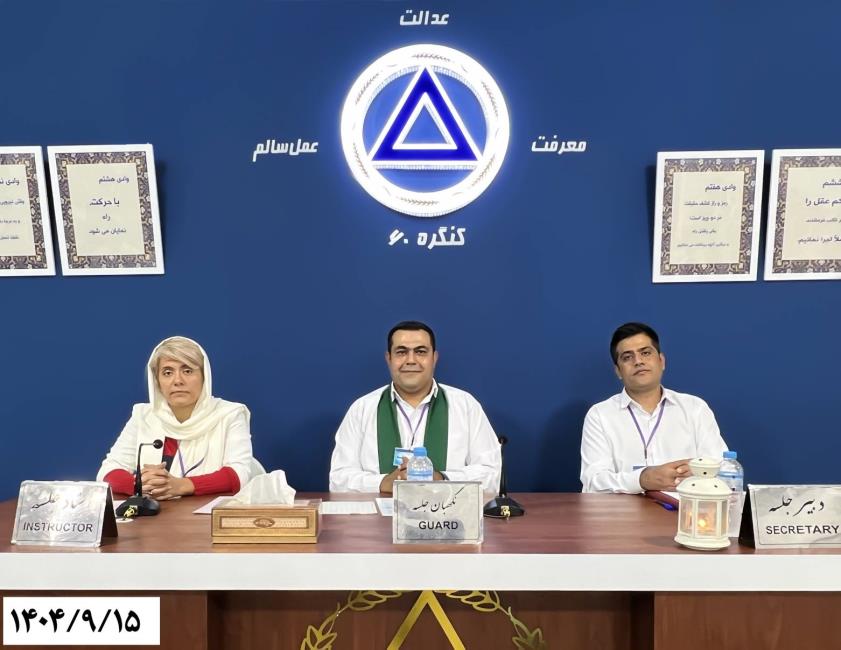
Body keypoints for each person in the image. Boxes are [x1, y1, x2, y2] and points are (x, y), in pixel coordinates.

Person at [329, 321, 501, 494]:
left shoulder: (465, 406)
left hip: (449, 511)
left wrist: (441, 479)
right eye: (401, 352)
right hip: (378, 512)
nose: (411, 360)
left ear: (434, 358)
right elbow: (338, 479)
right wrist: (383, 483)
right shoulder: (362, 409)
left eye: (420, 352)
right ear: (389, 359)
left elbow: (491, 474)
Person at [97, 336, 264, 498]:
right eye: (167, 372)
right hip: (158, 513)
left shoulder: (230, 414)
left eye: (187, 371)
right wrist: (140, 486)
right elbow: (108, 471)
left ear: (204, 377)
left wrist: (180, 486)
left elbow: (238, 474)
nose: (178, 380)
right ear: (157, 381)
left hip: (208, 513)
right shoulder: (143, 416)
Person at [580, 322, 727, 494]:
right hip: (624, 511)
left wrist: (698, 472)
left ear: (661, 361)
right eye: (627, 357)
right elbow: (593, 482)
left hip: (685, 508)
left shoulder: (694, 408)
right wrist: (642, 479)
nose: (638, 361)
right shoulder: (600, 415)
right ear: (618, 371)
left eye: (645, 353)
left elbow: (725, 471)